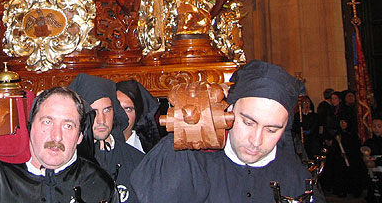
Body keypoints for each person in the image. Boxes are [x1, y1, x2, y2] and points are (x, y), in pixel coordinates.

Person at [131, 60, 327, 203]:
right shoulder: (194, 161)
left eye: (271, 130)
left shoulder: (297, 179)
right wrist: (183, 137)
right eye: (248, 123)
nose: (256, 141)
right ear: (230, 110)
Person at [0, 86, 118, 203]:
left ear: (79, 136)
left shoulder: (98, 184)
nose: (56, 136)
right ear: (30, 126)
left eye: (68, 125)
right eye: (47, 121)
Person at [69, 73, 144, 203]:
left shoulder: (137, 161)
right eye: (94, 112)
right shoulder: (66, 162)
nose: (101, 120)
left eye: (107, 110)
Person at [116, 79, 161, 153]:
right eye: (117, 107)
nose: (121, 114)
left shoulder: (151, 152)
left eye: (128, 109)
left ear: (137, 114)